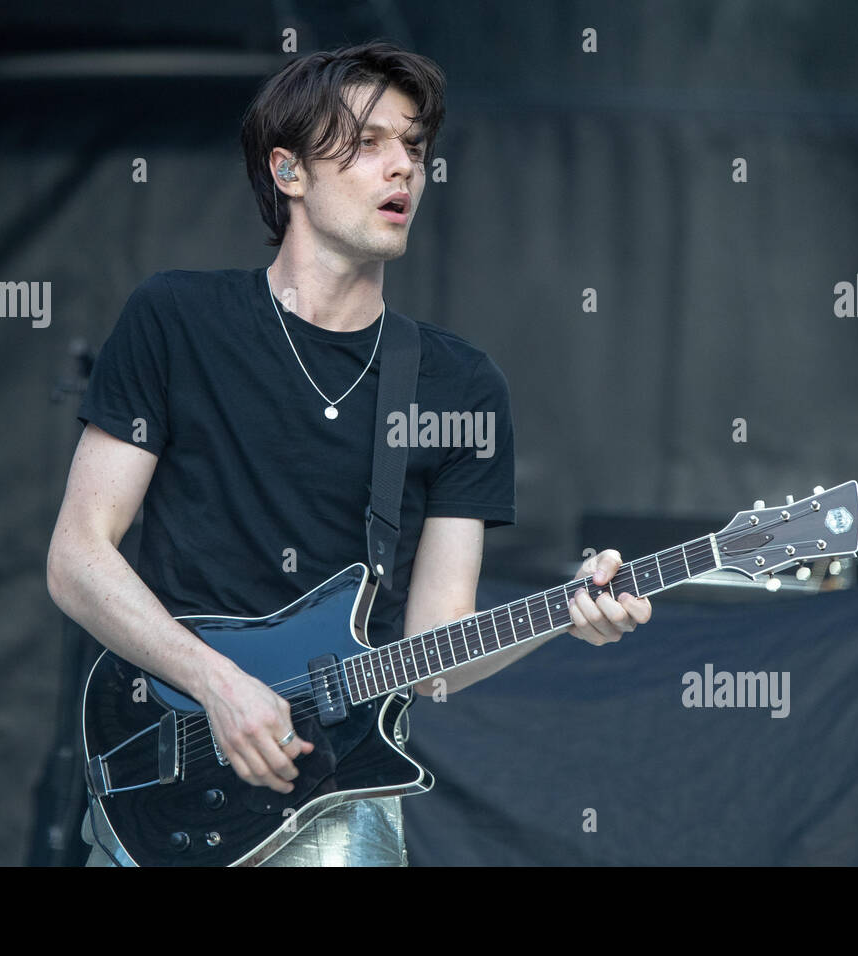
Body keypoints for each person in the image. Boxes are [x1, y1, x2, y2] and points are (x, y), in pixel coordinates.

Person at [45, 39, 651, 867]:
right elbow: (78, 556)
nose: (402, 167)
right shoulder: (176, 321)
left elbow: (437, 655)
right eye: (368, 143)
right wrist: (218, 685)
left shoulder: (458, 386)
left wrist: (564, 615)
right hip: (165, 760)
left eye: (414, 148)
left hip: (335, 806)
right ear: (288, 172)